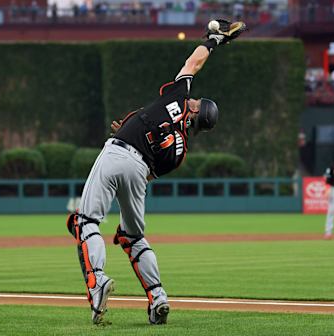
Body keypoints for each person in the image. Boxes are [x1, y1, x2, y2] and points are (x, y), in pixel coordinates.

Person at [66, 20, 246, 325]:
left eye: (196, 103)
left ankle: (96, 283)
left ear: (193, 112)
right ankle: (158, 296)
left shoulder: (176, 97)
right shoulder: (180, 152)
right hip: (139, 172)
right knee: (133, 237)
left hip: (116, 152)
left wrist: (214, 40)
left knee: (85, 221)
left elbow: (194, 61)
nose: (192, 99)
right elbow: (148, 173)